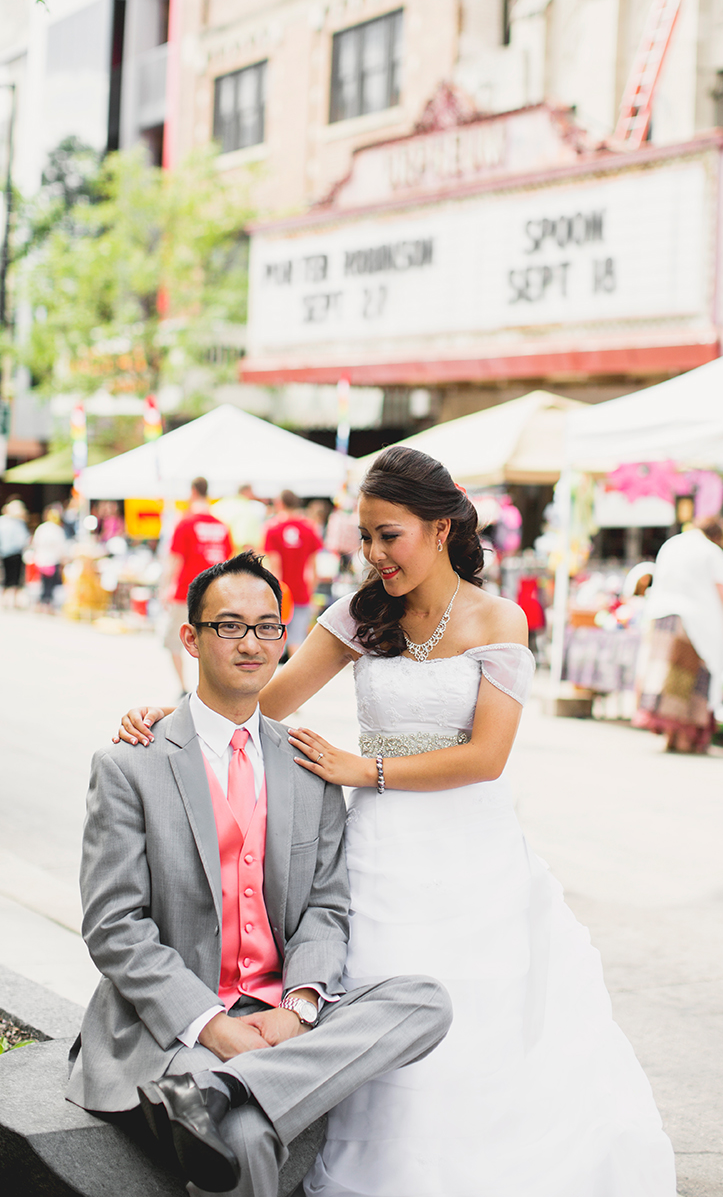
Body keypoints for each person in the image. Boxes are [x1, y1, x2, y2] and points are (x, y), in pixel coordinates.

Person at [116, 446, 677, 1194]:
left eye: (390, 535)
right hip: (377, 843)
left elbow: (487, 757)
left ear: (441, 529)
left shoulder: (499, 619)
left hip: (470, 847)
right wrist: (172, 717)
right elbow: (266, 698)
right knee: (359, 988)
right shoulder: (362, 613)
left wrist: (363, 770)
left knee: (474, 1007)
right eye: (366, 537)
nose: (375, 554)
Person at [70, 552, 453, 1197]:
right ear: (191, 638)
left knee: (424, 1001)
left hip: (277, 1008)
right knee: (246, 1139)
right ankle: (217, 1088)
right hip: (175, 1021)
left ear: (284, 637)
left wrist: (299, 1008)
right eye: (229, 626)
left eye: (268, 627)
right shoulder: (130, 765)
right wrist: (212, 1025)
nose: (252, 644)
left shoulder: (309, 764)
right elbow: (114, 927)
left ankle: (217, 1090)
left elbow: (326, 908)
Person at [636, 515, 723, 753]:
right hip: (696, 625)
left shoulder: (672, 544)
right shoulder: (711, 552)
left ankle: (670, 737)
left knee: (667, 682)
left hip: (661, 619)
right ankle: (685, 739)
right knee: (690, 683)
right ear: (716, 536)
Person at [165, 479, 235, 693]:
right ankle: (207, 688)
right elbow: (228, 561)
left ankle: (184, 687)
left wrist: (166, 588)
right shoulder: (221, 525)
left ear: (193, 492)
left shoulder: (185, 523)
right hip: (216, 593)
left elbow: (175, 560)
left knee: (175, 640)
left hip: (185, 591)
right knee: (211, 642)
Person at [263, 491, 324, 659]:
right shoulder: (309, 528)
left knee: (274, 639)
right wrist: (311, 592)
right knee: (296, 640)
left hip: (281, 593)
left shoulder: (273, 529)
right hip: (301, 591)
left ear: (280, 504)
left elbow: (275, 568)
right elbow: (313, 568)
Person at [213, 483, 269, 555]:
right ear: (247, 491)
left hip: (216, 556)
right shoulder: (247, 510)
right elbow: (247, 542)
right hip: (237, 557)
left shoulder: (219, 506)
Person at [31, 505, 68, 611]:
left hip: (42, 560)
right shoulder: (57, 529)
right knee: (50, 584)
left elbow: (35, 543)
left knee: (44, 583)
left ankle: (44, 602)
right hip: (52, 560)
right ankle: (46, 602)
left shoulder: (42, 528)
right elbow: (62, 547)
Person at [0, 498, 29, 608]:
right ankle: (12, 600)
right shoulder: (18, 522)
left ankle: (6, 600)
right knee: (15, 577)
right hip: (15, 552)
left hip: (5, 552)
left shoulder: (3, 521)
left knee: (7, 576)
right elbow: (23, 539)